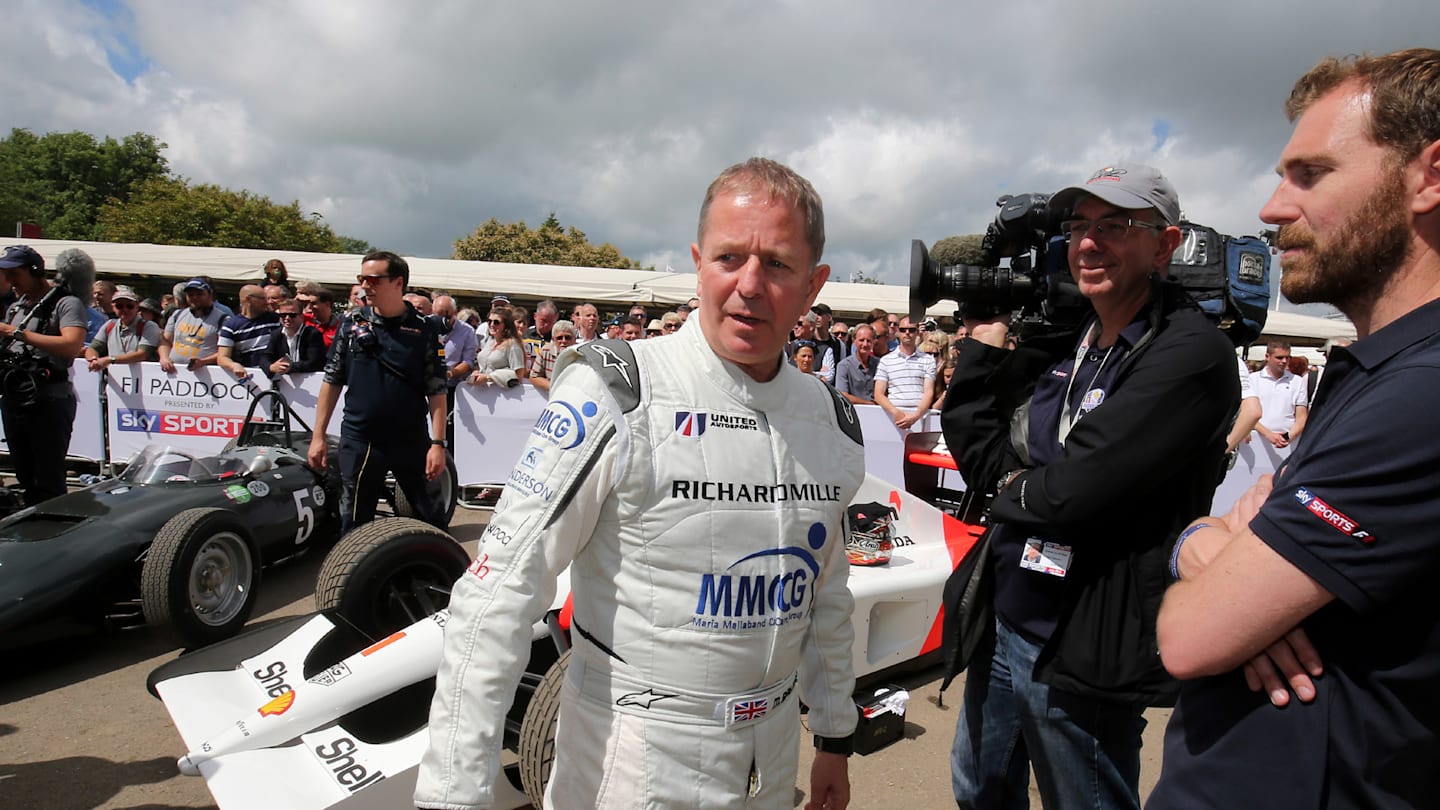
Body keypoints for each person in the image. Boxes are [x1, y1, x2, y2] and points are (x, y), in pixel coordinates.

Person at [419, 157, 864, 810]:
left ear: (812, 283)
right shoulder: (617, 389)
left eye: (776, 264)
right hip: (633, 767)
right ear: (697, 262)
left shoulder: (831, 419)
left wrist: (833, 736)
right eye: (728, 258)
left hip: (770, 763)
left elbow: (826, 593)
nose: (748, 285)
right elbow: (498, 593)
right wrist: (452, 797)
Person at [1150, 48, 1440, 809]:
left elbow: (1189, 638)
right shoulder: (1380, 371)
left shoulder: (1420, 393)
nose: (1273, 208)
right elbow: (1219, 546)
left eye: (1310, 174)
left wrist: (1218, 563)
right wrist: (1206, 543)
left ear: (1430, 176)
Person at [940, 161, 1237, 810]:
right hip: (1011, 607)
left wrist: (1012, 494)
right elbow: (986, 458)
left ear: (1166, 243)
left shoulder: (1189, 352)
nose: (1090, 242)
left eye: (1116, 226)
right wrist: (983, 353)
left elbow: (1073, 492)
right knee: (979, 789)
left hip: (1084, 635)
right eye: (1079, 226)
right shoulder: (1069, 337)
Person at [307, 251, 448, 534]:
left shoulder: (424, 329)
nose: (364, 286)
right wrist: (318, 436)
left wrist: (437, 444)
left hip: (410, 438)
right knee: (354, 524)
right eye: (361, 279)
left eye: (372, 279)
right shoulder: (350, 324)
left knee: (431, 519)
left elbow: (437, 389)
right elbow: (332, 380)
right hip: (361, 438)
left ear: (398, 283)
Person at [0, 245, 88, 506]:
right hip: (16, 396)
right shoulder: (17, 306)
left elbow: (72, 344)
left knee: (48, 476)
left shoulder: (66, 303)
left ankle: (55, 535)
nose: (10, 281)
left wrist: (16, 333)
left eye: (15, 273)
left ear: (35, 271)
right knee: (25, 473)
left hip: (49, 398)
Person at [873, 316, 935, 430]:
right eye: (903, 329)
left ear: (917, 332)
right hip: (891, 416)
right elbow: (878, 393)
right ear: (897, 332)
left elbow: (929, 392)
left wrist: (915, 416)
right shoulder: (886, 360)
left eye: (911, 330)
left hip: (920, 416)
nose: (907, 333)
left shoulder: (928, 360)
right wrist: (895, 412)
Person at [159, 277, 227, 373]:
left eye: (200, 294)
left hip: (205, 375)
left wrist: (203, 362)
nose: (195, 297)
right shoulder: (177, 315)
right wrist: (164, 357)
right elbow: (165, 341)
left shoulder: (223, 319)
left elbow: (225, 352)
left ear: (210, 295)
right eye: (190, 295)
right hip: (174, 373)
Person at [1250, 340, 1309, 449]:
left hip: (1287, 443)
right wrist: (1268, 434)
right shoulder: (1253, 379)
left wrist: (1288, 437)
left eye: (1287, 357)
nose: (1284, 361)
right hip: (1256, 440)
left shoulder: (1298, 381)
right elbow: (1247, 413)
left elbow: (1301, 417)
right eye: (1279, 357)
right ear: (1267, 356)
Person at [85, 285, 161, 370]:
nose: (125, 309)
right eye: (119, 306)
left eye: (129, 306)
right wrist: (93, 359)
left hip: (142, 379)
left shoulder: (148, 326)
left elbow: (142, 354)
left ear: (137, 307)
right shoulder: (110, 325)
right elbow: (93, 347)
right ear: (113, 307)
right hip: (114, 378)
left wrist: (110, 360)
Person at [217, 284, 282, 380]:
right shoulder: (230, 325)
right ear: (248, 299)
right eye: (263, 299)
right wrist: (233, 365)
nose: (267, 302)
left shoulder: (276, 319)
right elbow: (222, 357)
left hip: (278, 375)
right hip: (251, 377)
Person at [467, 303, 526, 387]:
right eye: (489, 321)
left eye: (496, 322)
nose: (491, 325)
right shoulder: (488, 342)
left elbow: (518, 376)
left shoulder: (513, 345)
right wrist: (477, 373)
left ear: (506, 325)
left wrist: (490, 377)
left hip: (503, 394)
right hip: (483, 391)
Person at [264, 297, 326, 375]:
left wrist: (290, 367)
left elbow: (315, 362)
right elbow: (265, 357)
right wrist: (271, 367)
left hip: (310, 380)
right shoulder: (276, 334)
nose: (287, 318)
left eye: (292, 315)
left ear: (301, 316)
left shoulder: (312, 334)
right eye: (283, 315)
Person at [526, 318, 576, 394]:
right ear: (553, 339)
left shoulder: (582, 354)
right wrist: (555, 387)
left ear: (574, 339)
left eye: (567, 337)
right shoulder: (545, 351)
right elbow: (534, 377)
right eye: (559, 338)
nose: (563, 341)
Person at [835, 323, 880, 405]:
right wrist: (869, 403)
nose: (865, 344)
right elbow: (842, 395)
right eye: (861, 340)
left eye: (869, 341)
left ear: (874, 342)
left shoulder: (880, 364)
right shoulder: (844, 366)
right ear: (854, 341)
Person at [295, 281, 341, 349]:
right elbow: (287, 312)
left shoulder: (339, 326)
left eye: (314, 303)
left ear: (327, 304)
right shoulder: (306, 320)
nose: (310, 307)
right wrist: (296, 300)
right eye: (309, 303)